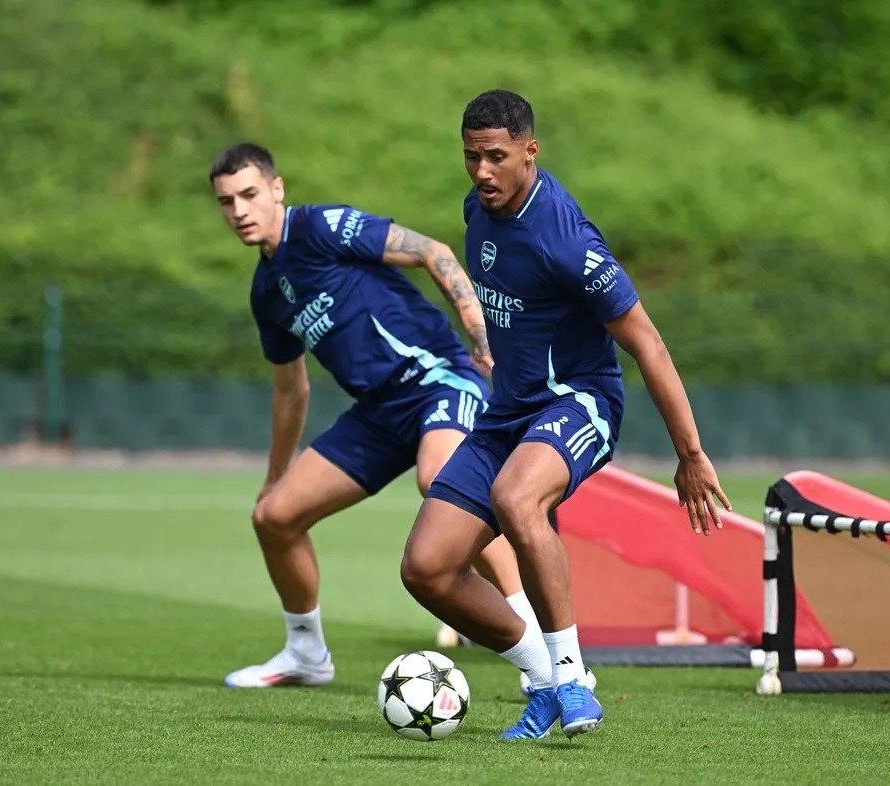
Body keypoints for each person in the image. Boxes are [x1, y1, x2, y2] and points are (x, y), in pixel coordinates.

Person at [400, 90, 732, 740]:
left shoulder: (566, 239)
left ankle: (574, 676)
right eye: (470, 157)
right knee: (427, 569)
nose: (481, 172)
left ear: (530, 151)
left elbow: (647, 342)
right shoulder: (478, 208)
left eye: (495, 157)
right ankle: (546, 681)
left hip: (578, 400)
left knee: (515, 499)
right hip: (507, 414)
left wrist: (689, 454)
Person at [208, 142, 543, 688]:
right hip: (379, 414)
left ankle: (539, 649)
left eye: (249, 194)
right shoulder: (267, 292)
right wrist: (274, 477)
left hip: (438, 380)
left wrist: (481, 340)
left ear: (276, 188)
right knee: (274, 517)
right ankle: (306, 655)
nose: (240, 211)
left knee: (443, 480)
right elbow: (291, 392)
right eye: (227, 202)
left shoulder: (320, 227)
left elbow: (433, 252)